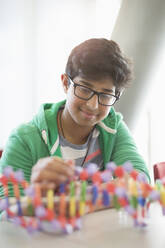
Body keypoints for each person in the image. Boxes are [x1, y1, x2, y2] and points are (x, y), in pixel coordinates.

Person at [0, 38, 150, 200]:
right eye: (85, 89)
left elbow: (140, 182)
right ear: (66, 83)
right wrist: (38, 195)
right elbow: (5, 209)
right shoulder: (24, 138)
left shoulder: (113, 127)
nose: (93, 105)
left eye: (105, 95)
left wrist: (81, 195)